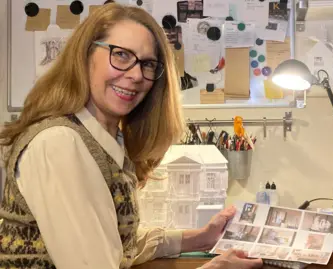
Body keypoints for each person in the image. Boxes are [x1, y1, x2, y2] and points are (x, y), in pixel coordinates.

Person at [0, 4, 262, 269]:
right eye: (122, 55)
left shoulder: (107, 141)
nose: (136, 75)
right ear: (85, 55)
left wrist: (200, 238)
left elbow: (114, 244)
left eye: (148, 64)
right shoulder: (58, 144)